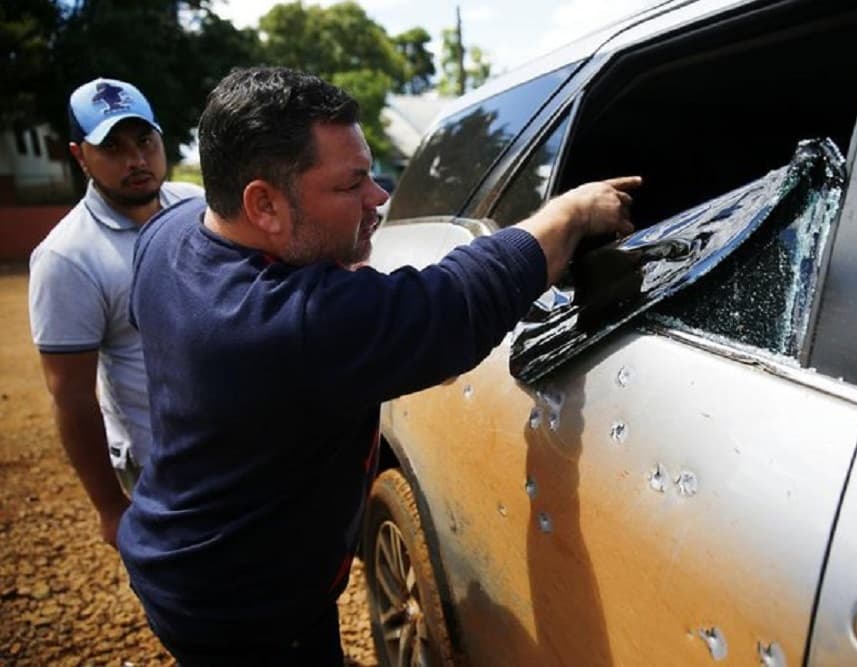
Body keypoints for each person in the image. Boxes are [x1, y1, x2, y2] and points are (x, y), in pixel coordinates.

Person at [119, 66, 640, 666]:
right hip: (246, 609)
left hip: (177, 553)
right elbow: (462, 304)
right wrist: (570, 214)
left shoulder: (170, 234)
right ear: (261, 203)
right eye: (352, 185)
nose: (380, 198)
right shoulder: (287, 326)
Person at [27, 77, 203, 549]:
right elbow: (72, 396)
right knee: (199, 600)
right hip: (161, 468)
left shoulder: (198, 208)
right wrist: (109, 507)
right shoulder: (67, 257)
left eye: (145, 141)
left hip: (240, 441)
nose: (137, 160)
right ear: (79, 155)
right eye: (113, 147)